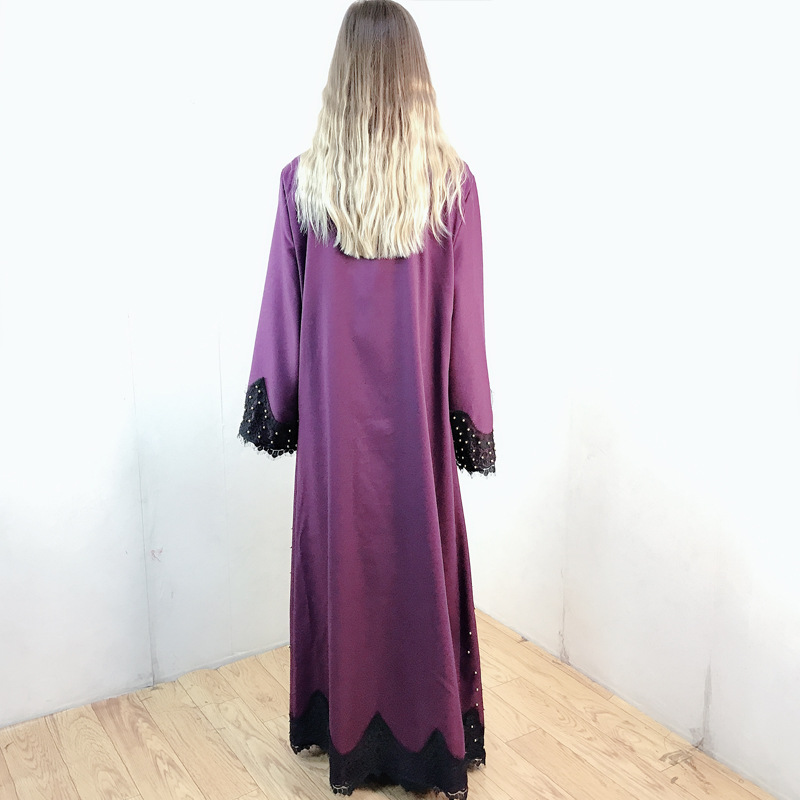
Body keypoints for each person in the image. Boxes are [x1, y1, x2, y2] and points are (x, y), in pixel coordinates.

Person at [239, 1, 496, 797]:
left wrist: (275, 401)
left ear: (341, 74)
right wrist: (471, 417)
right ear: (416, 76)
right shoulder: (451, 189)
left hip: (335, 447)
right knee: (418, 570)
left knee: (343, 569)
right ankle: (423, 737)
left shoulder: (304, 185)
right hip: (416, 443)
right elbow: (465, 329)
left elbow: (282, 315)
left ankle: (344, 728)